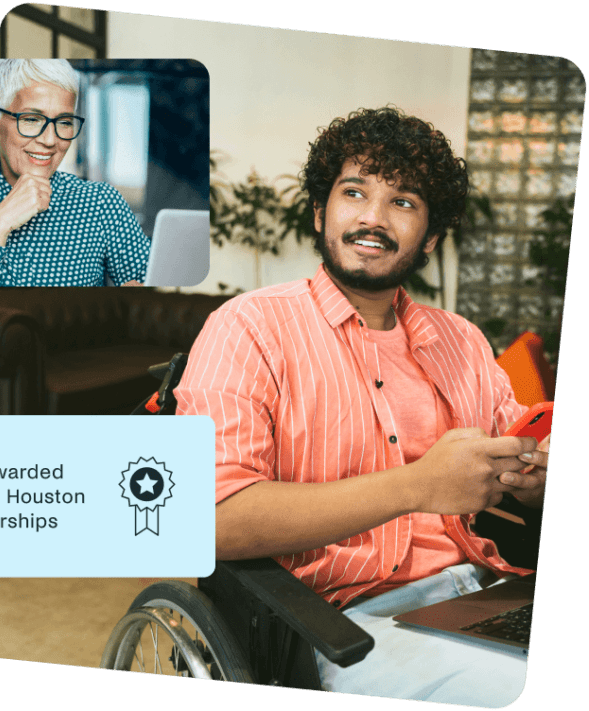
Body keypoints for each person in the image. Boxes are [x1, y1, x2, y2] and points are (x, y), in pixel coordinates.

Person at [175, 107, 549, 705]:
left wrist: (534, 478)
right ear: (322, 212)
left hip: (488, 591)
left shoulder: (464, 342)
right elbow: (208, 518)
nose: (372, 217)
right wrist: (418, 486)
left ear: (429, 236)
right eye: (355, 192)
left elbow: (515, 461)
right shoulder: (248, 328)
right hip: (342, 627)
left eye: (403, 201)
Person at [0, 59, 150, 287]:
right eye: (31, 119)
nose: (50, 140)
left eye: (64, 122)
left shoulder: (100, 201)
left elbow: (156, 283)